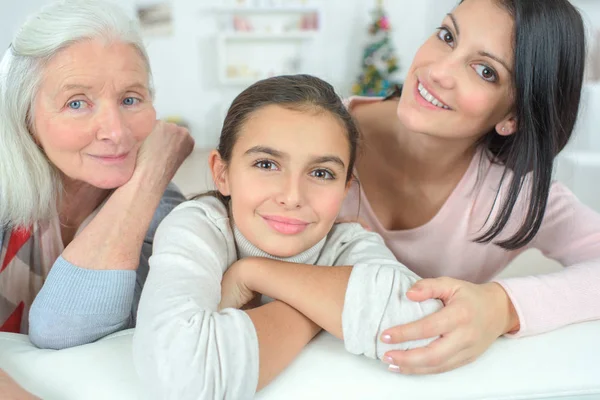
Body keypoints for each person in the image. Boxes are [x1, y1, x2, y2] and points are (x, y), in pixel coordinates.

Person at [133, 74, 443, 399]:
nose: (293, 196)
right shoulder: (197, 226)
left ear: (345, 190)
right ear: (222, 174)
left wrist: (254, 273)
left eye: (321, 173)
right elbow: (183, 376)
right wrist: (322, 311)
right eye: (266, 164)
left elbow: (424, 329)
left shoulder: (349, 242)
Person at [338, 0, 599, 375]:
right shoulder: (316, 137)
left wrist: (501, 306)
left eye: (485, 71)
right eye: (447, 36)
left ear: (514, 116)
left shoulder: (515, 197)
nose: (438, 71)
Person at [0, 0, 194, 350]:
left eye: (130, 100)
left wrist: (149, 176)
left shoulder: (165, 210)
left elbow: (64, 329)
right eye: (77, 103)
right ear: (25, 115)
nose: (116, 132)